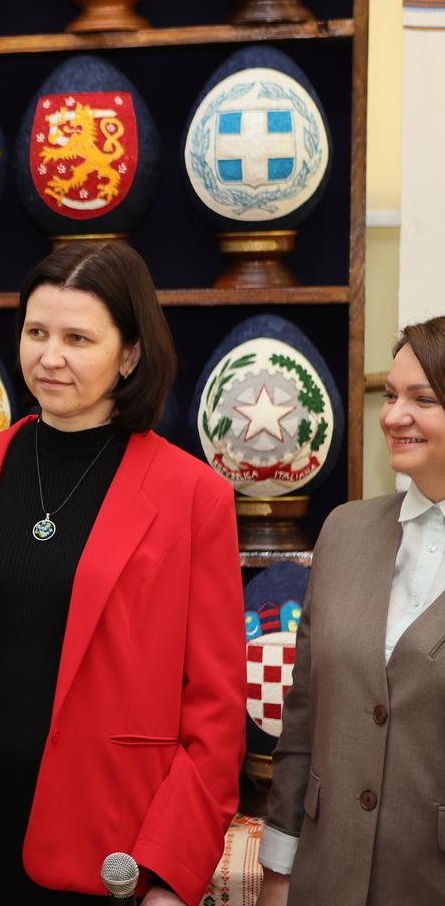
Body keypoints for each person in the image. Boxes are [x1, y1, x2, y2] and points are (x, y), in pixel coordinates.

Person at [0, 241, 245, 905]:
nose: (50, 357)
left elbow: (216, 710)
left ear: (130, 353)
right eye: (37, 333)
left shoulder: (192, 496)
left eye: (77, 338)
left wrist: (172, 873)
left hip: (116, 848)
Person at [256, 316, 445, 906]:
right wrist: (279, 870)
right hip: (324, 878)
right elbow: (303, 720)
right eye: (390, 395)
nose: (393, 416)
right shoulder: (344, 531)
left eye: (422, 399)